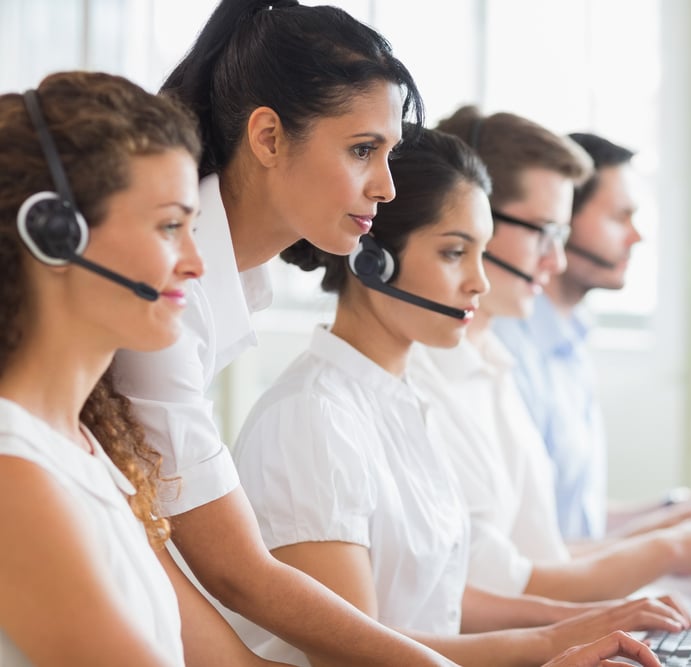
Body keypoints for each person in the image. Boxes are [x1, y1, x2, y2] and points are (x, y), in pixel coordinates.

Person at [230, 125, 691, 667]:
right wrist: (549, 646)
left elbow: (437, 601)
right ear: (370, 259)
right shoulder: (311, 420)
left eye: (481, 253)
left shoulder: (398, 401)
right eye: (454, 253)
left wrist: (584, 624)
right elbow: (357, 652)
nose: (480, 283)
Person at [109, 1, 458, 665]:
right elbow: (234, 570)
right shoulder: (164, 294)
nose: (385, 186)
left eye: (389, 155)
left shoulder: (240, 282)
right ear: (267, 137)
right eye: (363, 150)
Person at [403, 108, 691, 602]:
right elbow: (492, 588)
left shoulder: (494, 359)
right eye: (546, 231)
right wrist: (676, 543)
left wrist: (688, 518)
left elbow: (546, 551)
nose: (554, 260)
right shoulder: (438, 375)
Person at [0, 70, 292, 667]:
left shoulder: (87, 448)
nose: (194, 262)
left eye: (193, 227)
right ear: (54, 234)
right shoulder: (15, 473)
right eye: (168, 227)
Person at [492, 132, 691, 543]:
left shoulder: (570, 341)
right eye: (619, 217)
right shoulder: (506, 348)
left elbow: (580, 524)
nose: (636, 236)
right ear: (560, 221)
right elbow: (538, 556)